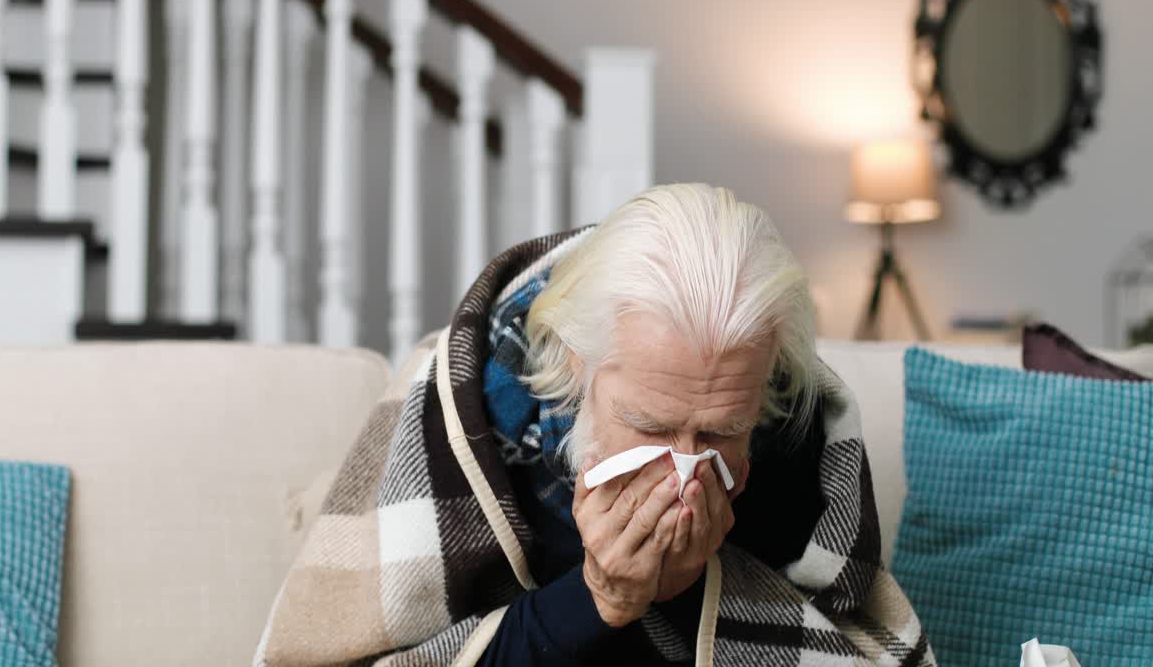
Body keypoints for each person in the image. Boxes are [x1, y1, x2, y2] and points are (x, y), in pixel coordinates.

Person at [257, 184, 935, 667]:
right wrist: (597, 598)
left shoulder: (797, 451)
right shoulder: (463, 413)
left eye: (721, 431)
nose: (684, 468)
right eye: (650, 423)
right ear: (575, 364)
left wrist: (696, 589)